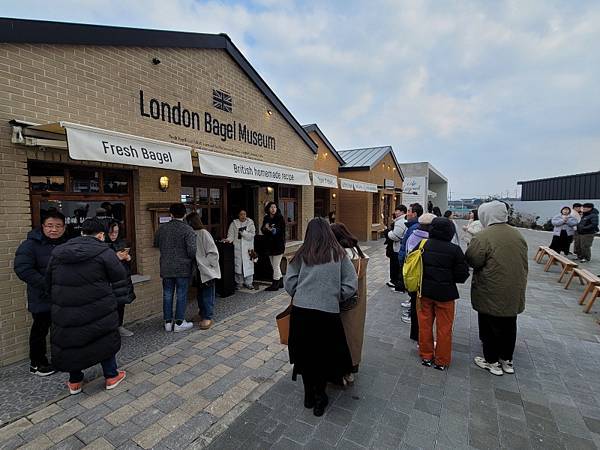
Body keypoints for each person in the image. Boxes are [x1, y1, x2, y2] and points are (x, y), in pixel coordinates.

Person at [45, 217, 127, 395]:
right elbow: (119, 275)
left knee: (73, 341)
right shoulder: (104, 252)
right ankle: (111, 376)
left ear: (82, 232)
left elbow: (48, 281)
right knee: (103, 337)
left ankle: (75, 382)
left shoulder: (59, 252)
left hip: (66, 308)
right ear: (100, 235)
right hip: (97, 306)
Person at [285, 218, 357, 417]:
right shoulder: (340, 254)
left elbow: (289, 281)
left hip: (301, 312)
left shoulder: (302, 253)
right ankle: (320, 397)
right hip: (327, 313)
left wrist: (299, 294)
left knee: (305, 354)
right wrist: (336, 296)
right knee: (323, 356)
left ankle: (309, 395)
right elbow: (351, 284)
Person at [466, 201, 528, 376]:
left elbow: (473, 260)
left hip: (490, 287)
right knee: (509, 324)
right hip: (514, 288)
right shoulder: (517, 234)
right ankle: (507, 360)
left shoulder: (483, 236)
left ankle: (491, 361)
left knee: (489, 324)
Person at [14, 210, 68, 376]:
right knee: (40, 330)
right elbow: (23, 269)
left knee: (61, 329)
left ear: (64, 228)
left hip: (63, 297)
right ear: (43, 227)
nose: (54, 229)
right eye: (50, 226)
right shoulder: (29, 245)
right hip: (42, 297)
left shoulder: (66, 243)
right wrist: (47, 284)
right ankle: (37, 364)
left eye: (58, 226)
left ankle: (60, 358)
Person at [418, 218, 470, 371]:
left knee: (425, 325)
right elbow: (462, 275)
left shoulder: (423, 245)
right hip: (446, 294)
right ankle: (442, 360)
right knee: (445, 328)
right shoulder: (454, 250)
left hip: (425, 292)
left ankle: (426, 356)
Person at [331, 222, 367, 384]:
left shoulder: (340, 255)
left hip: (344, 302)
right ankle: (351, 369)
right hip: (358, 302)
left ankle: (341, 372)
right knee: (354, 335)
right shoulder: (356, 250)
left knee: (341, 337)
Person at [154, 203, 197, 332]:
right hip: (183, 268)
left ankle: (167, 322)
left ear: (171, 214)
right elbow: (192, 251)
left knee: (167, 294)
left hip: (166, 266)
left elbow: (156, 244)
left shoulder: (162, 228)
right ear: (184, 214)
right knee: (181, 294)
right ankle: (179, 322)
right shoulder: (187, 229)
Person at [402, 212, 436, 342]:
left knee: (415, 306)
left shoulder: (413, 235)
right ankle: (424, 338)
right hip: (424, 279)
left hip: (412, 276)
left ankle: (414, 334)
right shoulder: (429, 240)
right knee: (424, 311)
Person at [187, 212, 221, 330]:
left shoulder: (203, 233)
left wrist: (205, 264)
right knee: (200, 293)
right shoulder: (191, 234)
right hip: (197, 270)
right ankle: (202, 313)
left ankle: (208, 317)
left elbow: (213, 252)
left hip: (206, 270)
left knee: (207, 293)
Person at [106, 221, 136, 337]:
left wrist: (128, 259)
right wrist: (115, 257)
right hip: (109, 281)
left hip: (122, 280)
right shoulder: (102, 245)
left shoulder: (122, 242)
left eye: (116, 232)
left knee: (121, 305)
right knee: (109, 307)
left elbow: (130, 266)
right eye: (111, 232)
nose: (114, 235)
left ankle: (119, 326)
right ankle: (110, 330)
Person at [398, 203, 424, 326]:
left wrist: (404, 260)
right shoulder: (412, 226)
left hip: (410, 264)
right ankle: (411, 305)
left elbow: (411, 250)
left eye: (408, 211)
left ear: (414, 214)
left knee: (413, 288)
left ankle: (412, 314)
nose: (406, 214)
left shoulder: (415, 228)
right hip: (407, 261)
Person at [226, 210, 256, 290]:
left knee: (248, 265)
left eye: (244, 214)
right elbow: (231, 235)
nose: (243, 216)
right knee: (238, 266)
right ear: (238, 215)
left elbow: (252, 235)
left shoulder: (250, 223)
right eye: (241, 214)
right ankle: (239, 282)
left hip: (248, 248)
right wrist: (228, 240)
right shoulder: (233, 224)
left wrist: (244, 233)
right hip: (238, 248)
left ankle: (249, 282)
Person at [261, 202, 286, 291]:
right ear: (268, 209)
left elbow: (279, 231)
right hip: (269, 246)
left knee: (275, 265)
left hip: (278, 245)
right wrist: (265, 228)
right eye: (271, 207)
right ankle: (281, 282)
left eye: (275, 207)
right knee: (274, 265)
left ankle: (275, 284)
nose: (273, 209)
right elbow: (263, 229)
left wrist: (271, 229)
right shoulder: (266, 218)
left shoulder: (280, 218)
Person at [386, 205, 407, 291]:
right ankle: (396, 281)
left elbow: (396, 236)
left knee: (395, 265)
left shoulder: (400, 222)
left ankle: (395, 281)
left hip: (397, 247)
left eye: (397, 210)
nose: (395, 212)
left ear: (402, 212)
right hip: (399, 247)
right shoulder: (403, 220)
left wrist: (388, 233)